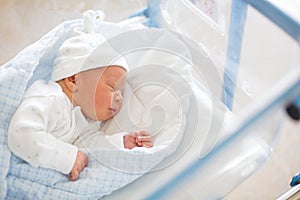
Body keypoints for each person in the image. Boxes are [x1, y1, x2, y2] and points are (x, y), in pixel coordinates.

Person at [7, 10, 152, 181]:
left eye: (121, 92)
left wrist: (122, 142)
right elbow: (21, 134)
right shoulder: (50, 98)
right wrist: (66, 157)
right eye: (112, 87)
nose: (119, 97)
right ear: (73, 80)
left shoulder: (88, 122)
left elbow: (90, 147)